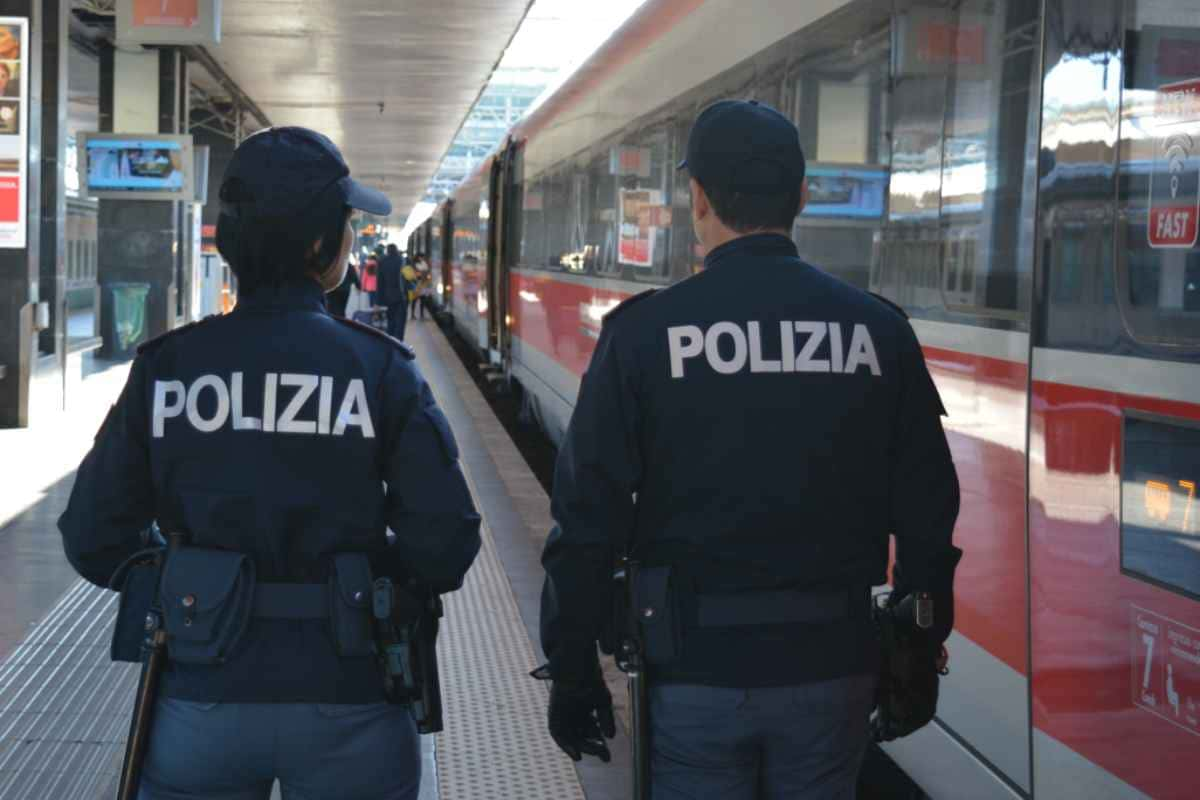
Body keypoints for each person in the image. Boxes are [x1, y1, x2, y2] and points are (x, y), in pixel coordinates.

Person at [538, 100, 962, 799]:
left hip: (693, 672)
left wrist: (573, 663)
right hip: (833, 669)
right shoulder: (877, 331)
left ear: (697, 198)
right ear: (799, 196)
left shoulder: (645, 335)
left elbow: (586, 518)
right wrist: (917, 642)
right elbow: (928, 508)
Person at [58, 126, 482, 800]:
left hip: (199, 694)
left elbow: (91, 535)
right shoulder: (380, 371)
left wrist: (181, 581)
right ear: (321, 246)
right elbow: (448, 540)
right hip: (352, 701)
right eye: (346, 222)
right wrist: (371, 582)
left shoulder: (168, 369)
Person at [377, 243, 409, 341]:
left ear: (387, 251)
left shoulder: (382, 261)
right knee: (400, 322)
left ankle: (390, 340)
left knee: (390, 319)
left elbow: (380, 282)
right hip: (402, 296)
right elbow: (408, 279)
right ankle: (399, 341)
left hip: (388, 297)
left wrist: (379, 300)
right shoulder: (402, 260)